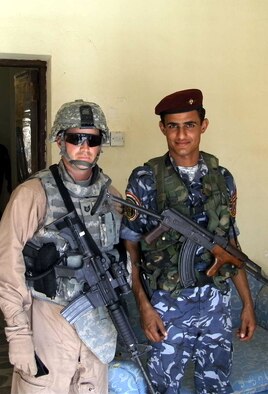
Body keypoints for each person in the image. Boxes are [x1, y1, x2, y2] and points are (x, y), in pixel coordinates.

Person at [120, 89, 256, 394]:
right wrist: (144, 306)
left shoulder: (223, 178)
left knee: (216, 386)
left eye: (190, 125)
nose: (182, 135)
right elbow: (130, 247)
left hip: (216, 305)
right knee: (164, 387)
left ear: (203, 126)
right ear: (163, 128)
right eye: (173, 126)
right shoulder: (145, 179)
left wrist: (247, 304)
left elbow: (232, 245)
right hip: (167, 306)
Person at [0, 99, 124, 394]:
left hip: (97, 321)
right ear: (59, 140)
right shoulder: (32, 194)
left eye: (91, 139)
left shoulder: (112, 196)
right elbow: (8, 263)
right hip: (49, 319)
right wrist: (18, 332)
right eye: (75, 138)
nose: (84, 146)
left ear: (101, 144)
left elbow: (124, 254)